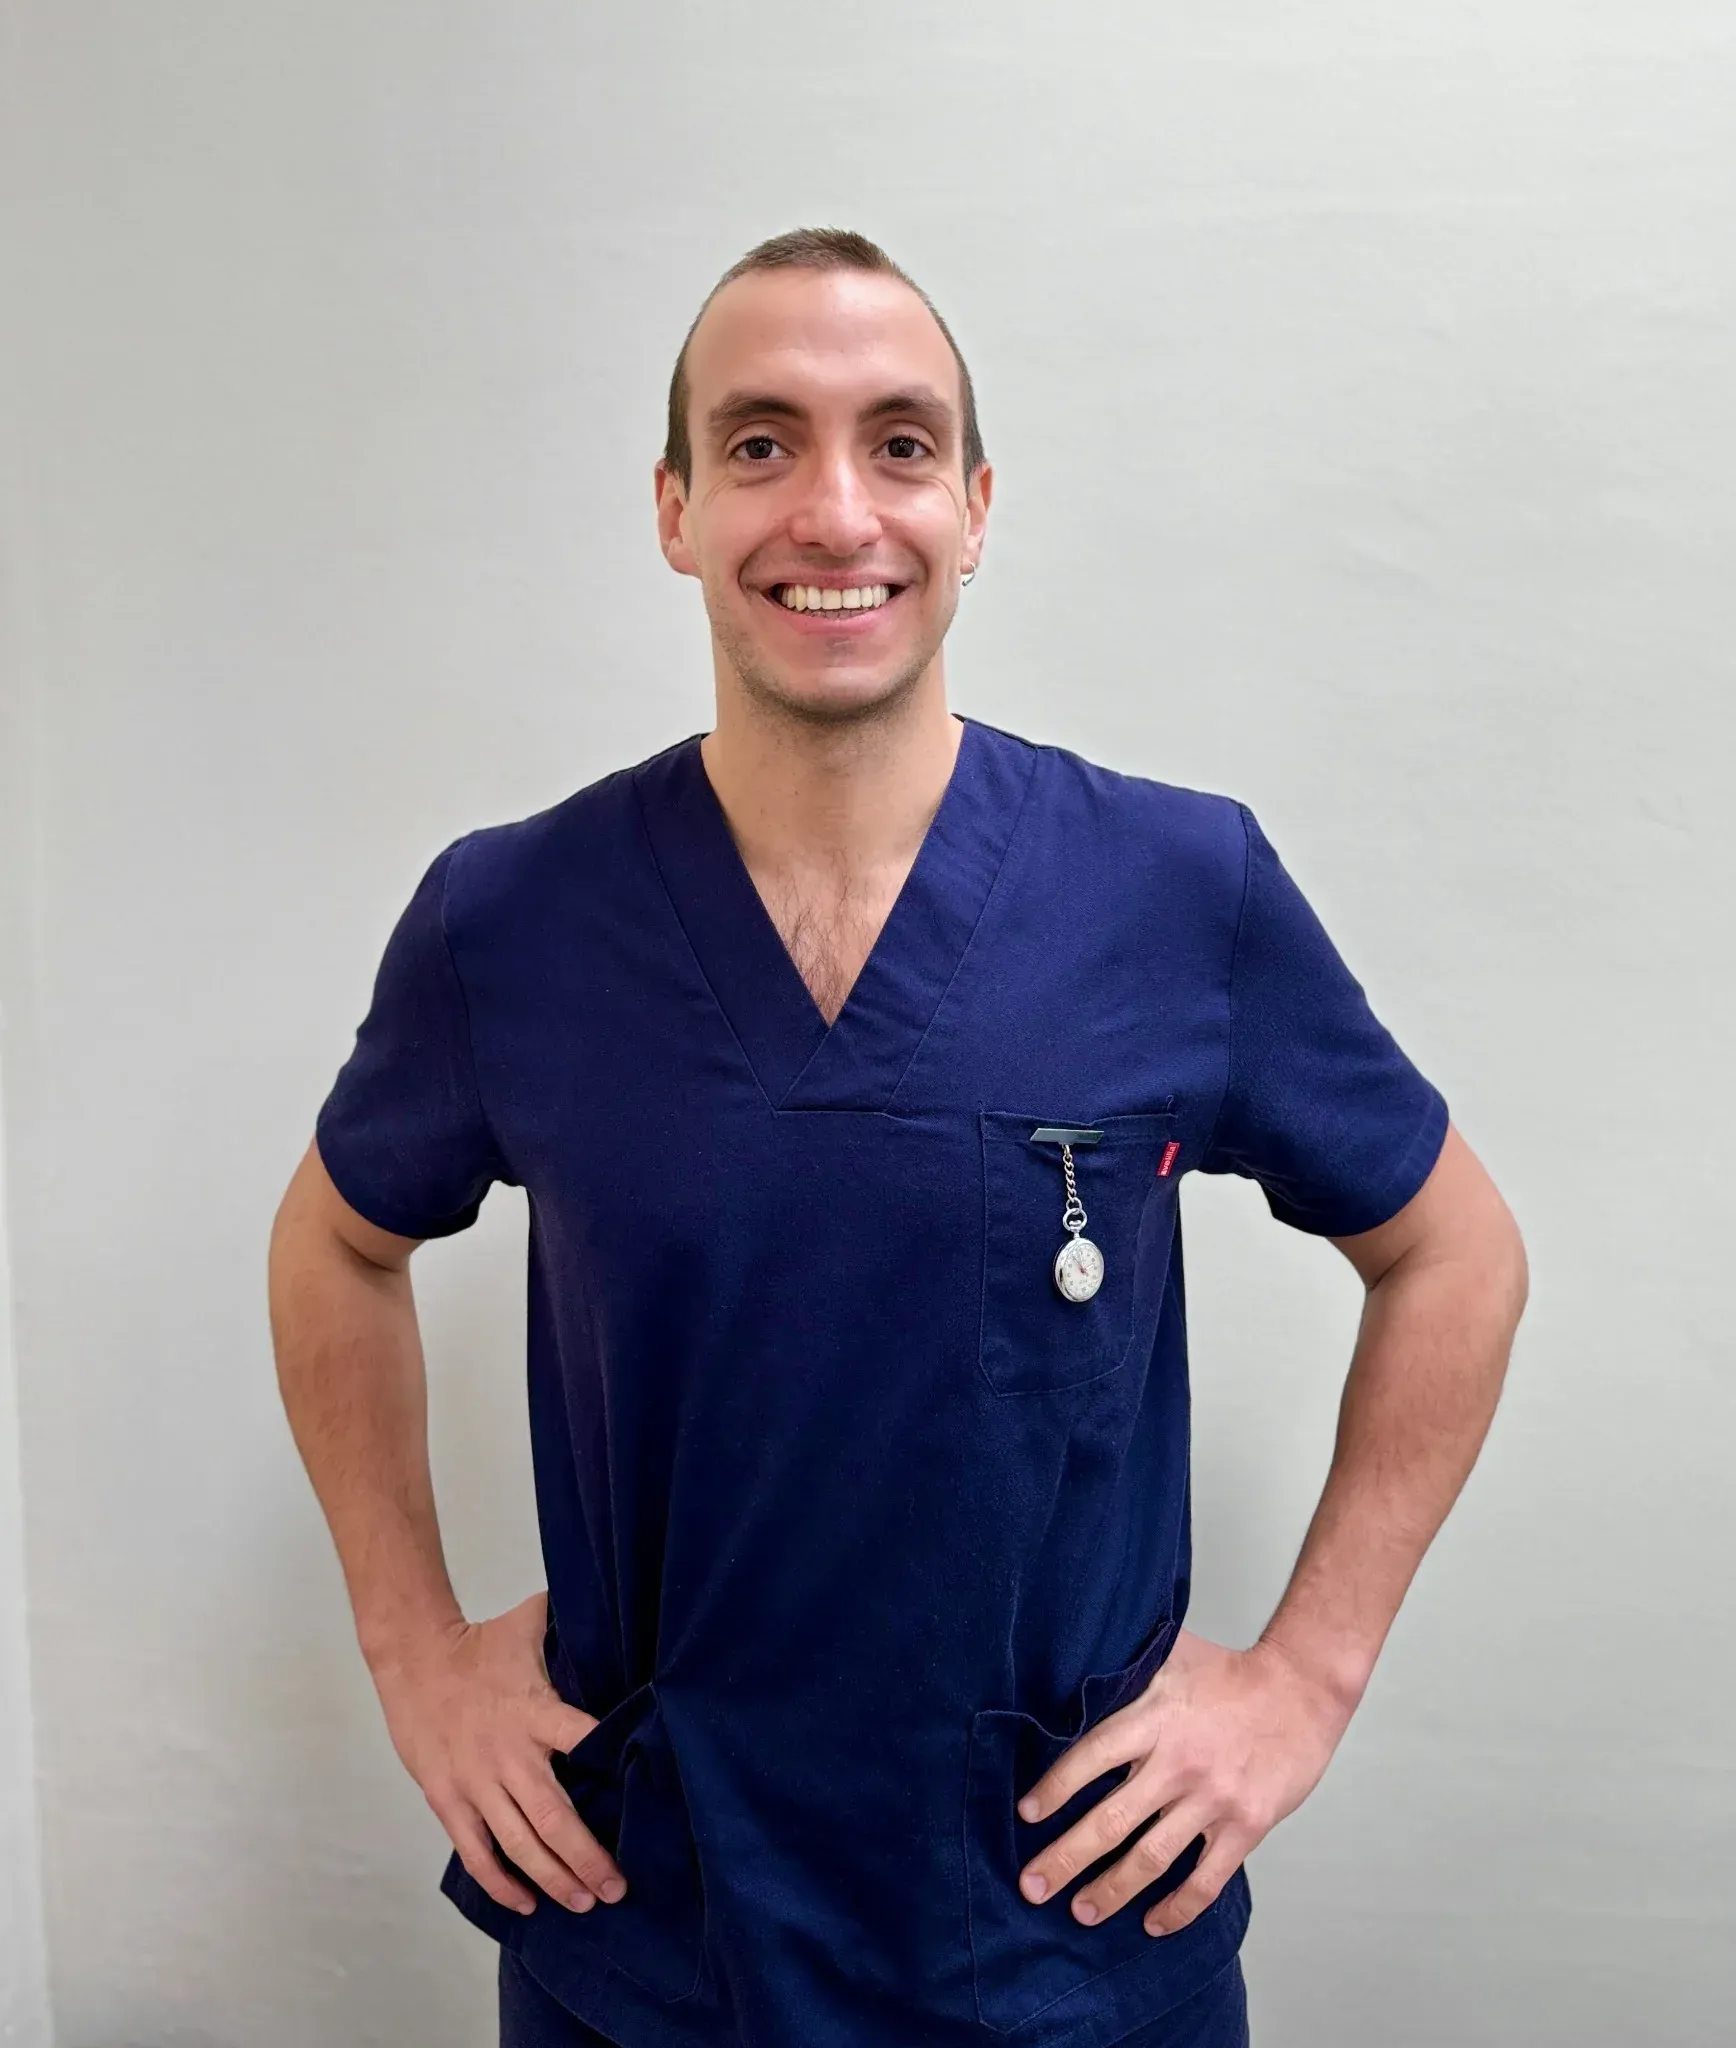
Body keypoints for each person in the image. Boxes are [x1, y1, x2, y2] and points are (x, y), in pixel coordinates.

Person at [267, 225, 1529, 2048]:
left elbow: (1452, 1251)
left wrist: (1307, 1678)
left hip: (1065, 1949)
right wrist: (410, 1651)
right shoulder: (513, 921)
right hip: (642, 1940)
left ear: (979, 506)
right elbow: (336, 1240)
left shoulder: (1179, 891)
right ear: (675, 507)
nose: (837, 510)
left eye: (902, 442)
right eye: (763, 442)